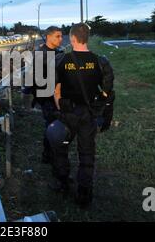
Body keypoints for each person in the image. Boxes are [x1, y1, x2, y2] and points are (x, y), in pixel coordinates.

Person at [47, 23, 114, 208]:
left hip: (68, 113)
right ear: (88, 38)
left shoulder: (61, 60)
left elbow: (55, 89)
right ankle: (84, 193)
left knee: (60, 148)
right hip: (88, 114)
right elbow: (107, 91)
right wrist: (98, 108)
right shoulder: (100, 61)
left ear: (72, 38)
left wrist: (60, 105)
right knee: (86, 153)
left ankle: (62, 182)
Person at [24, 26, 63, 164]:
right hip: (47, 98)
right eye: (57, 36)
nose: (60, 39)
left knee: (54, 125)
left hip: (56, 96)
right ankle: (49, 155)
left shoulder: (58, 52)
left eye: (61, 36)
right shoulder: (41, 54)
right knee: (52, 125)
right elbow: (34, 79)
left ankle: (49, 155)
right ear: (48, 37)